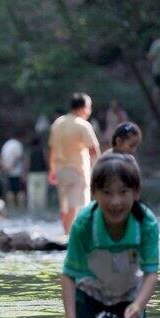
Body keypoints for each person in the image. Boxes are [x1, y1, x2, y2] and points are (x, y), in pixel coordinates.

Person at [61, 154, 159, 318]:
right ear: (94, 193)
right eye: (107, 193)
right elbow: (69, 275)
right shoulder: (84, 223)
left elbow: (151, 273)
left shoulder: (146, 223)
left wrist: (138, 306)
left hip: (129, 298)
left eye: (123, 192)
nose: (116, 202)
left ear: (136, 192)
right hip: (88, 295)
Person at [48, 93, 101, 234]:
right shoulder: (83, 125)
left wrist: (52, 170)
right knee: (78, 206)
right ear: (84, 108)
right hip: (78, 171)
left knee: (64, 207)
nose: (89, 111)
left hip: (60, 170)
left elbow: (52, 149)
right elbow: (93, 150)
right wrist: (99, 171)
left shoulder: (58, 123)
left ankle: (66, 234)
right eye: (89, 107)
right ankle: (72, 237)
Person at [0, 136, 26, 209]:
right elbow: (18, 157)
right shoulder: (18, 144)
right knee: (20, 191)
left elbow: (1, 157)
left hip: (8, 172)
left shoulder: (6, 144)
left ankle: (11, 207)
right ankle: (21, 208)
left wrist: (5, 167)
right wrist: (12, 166)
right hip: (17, 172)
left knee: (10, 190)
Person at [25, 134, 48, 211]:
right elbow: (46, 161)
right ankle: (41, 207)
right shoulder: (43, 150)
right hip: (42, 173)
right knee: (41, 192)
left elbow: (27, 163)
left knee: (32, 192)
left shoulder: (29, 152)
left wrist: (25, 173)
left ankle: (32, 208)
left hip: (32, 173)